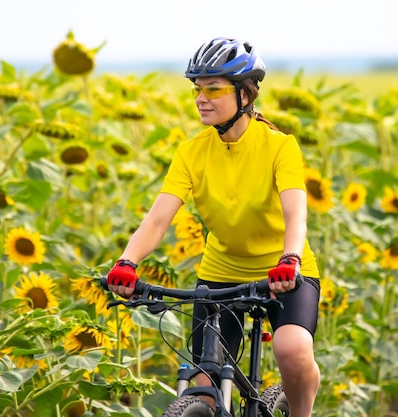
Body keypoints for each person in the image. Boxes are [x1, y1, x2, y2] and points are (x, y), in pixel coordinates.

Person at [106, 37, 321, 417]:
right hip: (221, 272)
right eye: (197, 90)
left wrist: (291, 257)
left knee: (291, 349)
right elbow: (158, 219)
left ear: (245, 95)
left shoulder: (279, 146)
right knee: (203, 381)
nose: (201, 98)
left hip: (284, 270)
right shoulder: (191, 152)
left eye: (214, 88)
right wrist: (127, 262)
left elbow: (295, 215)